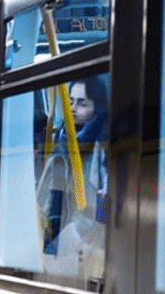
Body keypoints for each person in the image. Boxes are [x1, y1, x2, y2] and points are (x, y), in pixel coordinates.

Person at [37, 75, 108, 272]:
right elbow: (44, 196)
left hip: (83, 237)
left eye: (82, 103)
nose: (74, 108)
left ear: (97, 107)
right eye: (70, 102)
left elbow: (93, 204)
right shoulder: (63, 139)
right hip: (60, 228)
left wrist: (68, 237)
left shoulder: (101, 144)